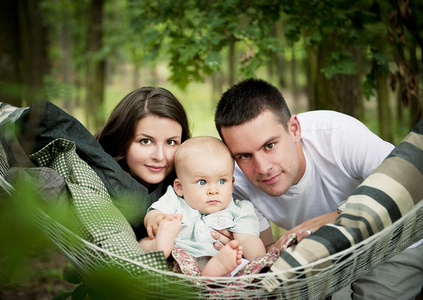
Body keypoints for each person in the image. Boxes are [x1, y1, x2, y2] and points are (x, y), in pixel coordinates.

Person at [213, 78, 422, 298]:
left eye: (270, 145)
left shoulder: (337, 135)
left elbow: (410, 183)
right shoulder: (234, 180)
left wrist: (335, 216)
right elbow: (265, 251)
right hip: (328, 259)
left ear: (293, 129)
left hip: (392, 240)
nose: (263, 168)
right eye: (244, 156)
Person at [139, 136, 266, 276]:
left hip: (215, 260)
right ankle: (159, 248)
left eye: (222, 181)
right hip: (177, 259)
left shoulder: (239, 210)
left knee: (235, 262)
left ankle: (214, 271)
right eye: (202, 182)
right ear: (180, 187)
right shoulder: (175, 201)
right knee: (144, 242)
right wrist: (157, 218)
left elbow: (247, 238)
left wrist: (259, 259)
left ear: (232, 184)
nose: (213, 190)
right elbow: (154, 213)